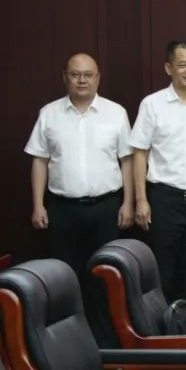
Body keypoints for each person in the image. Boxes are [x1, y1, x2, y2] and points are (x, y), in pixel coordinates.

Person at [25, 53, 134, 342]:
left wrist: (128, 202)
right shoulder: (49, 113)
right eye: (75, 74)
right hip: (62, 210)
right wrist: (37, 205)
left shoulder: (116, 113)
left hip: (105, 208)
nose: (82, 80)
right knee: (62, 278)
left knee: (105, 276)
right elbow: (39, 160)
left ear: (98, 77)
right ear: (65, 77)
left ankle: (105, 343)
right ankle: (66, 344)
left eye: (88, 74)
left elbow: (127, 160)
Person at [129, 40, 186, 312]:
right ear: (169, 68)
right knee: (163, 271)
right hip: (164, 199)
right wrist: (141, 200)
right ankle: (164, 331)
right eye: (183, 65)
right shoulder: (152, 104)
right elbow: (139, 154)